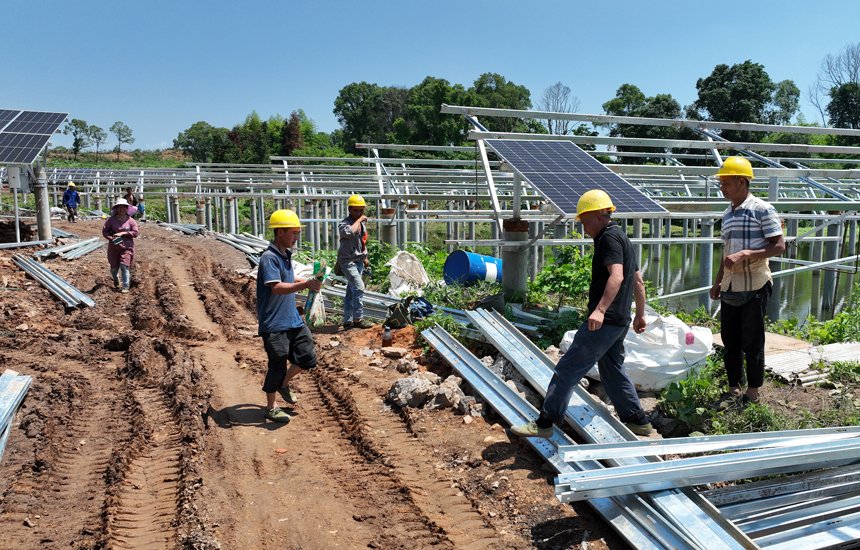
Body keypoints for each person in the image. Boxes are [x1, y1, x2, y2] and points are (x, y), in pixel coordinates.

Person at [510, 189, 652, 438]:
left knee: (567, 368)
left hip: (604, 322)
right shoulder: (623, 239)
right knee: (612, 370)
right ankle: (637, 421)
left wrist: (599, 310)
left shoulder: (609, 238)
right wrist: (640, 314)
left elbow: (617, 276)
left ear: (599, 215)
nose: (584, 227)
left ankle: (544, 424)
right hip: (619, 320)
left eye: (585, 221)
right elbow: (638, 282)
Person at [709, 157, 785, 408]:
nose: (722, 187)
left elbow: (779, 246)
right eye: (721, 183)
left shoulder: (763, 209)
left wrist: (746, 254)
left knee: (752, 340)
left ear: (741, 182)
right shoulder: (728, 212)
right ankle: (733, 389)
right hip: (731, 285)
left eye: (726, 183)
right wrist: (717, 281)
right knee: (729, 340)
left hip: (755, 285)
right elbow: (726, 251)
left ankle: (752, 393)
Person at [257, 209, 322, 423]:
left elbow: (287, 277)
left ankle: (284, 384)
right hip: (274, 323)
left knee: (307, 356)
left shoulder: (285, 255)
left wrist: (306, 281)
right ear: (280, 232)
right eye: (293, 233)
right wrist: (304, 284)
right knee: (277, 362)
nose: (296, 237)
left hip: (292, 319)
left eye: (297, 233)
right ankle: (271, 406)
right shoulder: (269, 258)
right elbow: (275, 287)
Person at [337, 194, 373, 329]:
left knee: (351, 291)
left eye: (361, 210)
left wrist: (364, 258)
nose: (358, 213)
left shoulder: (361, 225)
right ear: (349, 210)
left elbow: (361, 242)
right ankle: (358, 320)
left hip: (357, 261)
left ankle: (347, 320)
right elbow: (349, 233)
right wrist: (359, 220)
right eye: (356, 210)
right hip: (347, 261)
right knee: (359, 287)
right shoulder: (344, 224)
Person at [101, 198, 139, 294]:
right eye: (119, 207)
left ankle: (125, 286)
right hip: (114, 247)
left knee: (124, 266)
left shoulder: (131, 221)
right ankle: (116, 278)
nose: (122, 209)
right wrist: (110, 237)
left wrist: (122, 233)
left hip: (127, 247)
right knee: (114, 269)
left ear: (127, 208)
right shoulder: (110, 220)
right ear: (116, 208)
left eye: (124, 207)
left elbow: (135, 233)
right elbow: (105, 231)